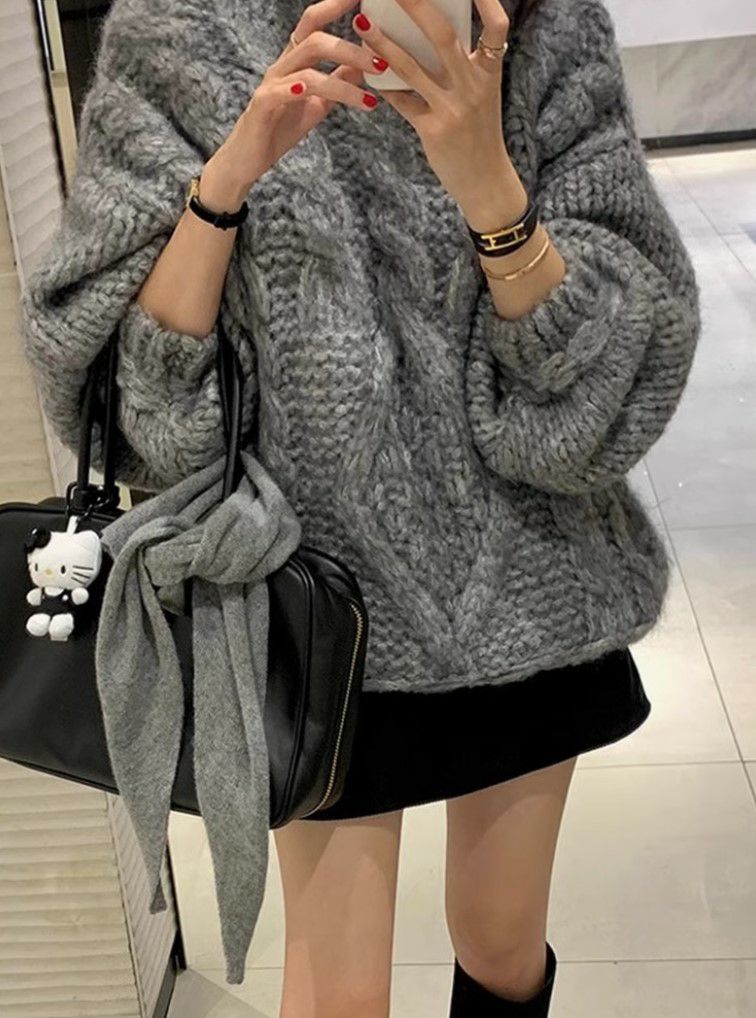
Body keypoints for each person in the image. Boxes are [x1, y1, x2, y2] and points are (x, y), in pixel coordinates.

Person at [19, 0, 701, 1014]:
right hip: (315, 605)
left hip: (528, 577)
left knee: (502, 941)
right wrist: (230, 176)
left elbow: (600, 396)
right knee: (339, 990)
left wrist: (486, 179)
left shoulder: (547, 28)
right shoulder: (179, 27)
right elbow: (137, 408)